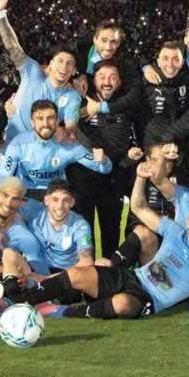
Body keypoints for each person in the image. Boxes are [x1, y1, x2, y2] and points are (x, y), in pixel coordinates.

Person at [0, 160, 189, 320]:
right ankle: (20, 302)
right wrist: (139, 178)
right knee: (76, 274)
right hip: (131, 276)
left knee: (123, 304)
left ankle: (62, 312)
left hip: (149, 298)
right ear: (188, 221)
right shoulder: (176, 231)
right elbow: (138, 207)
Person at [0, 180, 94, 315]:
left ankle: (9, 298)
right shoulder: (35, 210)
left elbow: (87, 262)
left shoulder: (80, 225)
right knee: (9, 254)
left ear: (72, 203)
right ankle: (22, 299)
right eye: (55, 200)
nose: (60, 206)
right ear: (46, 200)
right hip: (34, 270)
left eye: (66, 201)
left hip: (64, 276)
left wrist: (45, 279)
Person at [0, 0, 81, 141]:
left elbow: (71, 130)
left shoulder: (73, 97)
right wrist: (0, 14)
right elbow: (13, 46)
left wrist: (63, 133)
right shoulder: (33, 72)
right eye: (60, 61)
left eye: (69, 63)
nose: (64, 66)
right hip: (12, 146)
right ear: (50, 64)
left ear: (74, 70)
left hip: (43, 155)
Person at [71, 60, 138, 256]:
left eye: (112, 77)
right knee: (84, 232)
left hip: (113, 181)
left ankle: (109, 275)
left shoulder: (127, 107)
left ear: (119, 82)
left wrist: (130, 157)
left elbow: (136, 140)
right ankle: (83, 276)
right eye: (102, 77)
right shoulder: (80, 103)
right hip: (83, 181)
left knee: (112, 233)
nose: (107, 82)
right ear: (94, 80)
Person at [2, 100, 112, 200]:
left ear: (57, 121)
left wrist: (103, 160)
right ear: (32, 122)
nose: (45, 124)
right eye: (40, 119)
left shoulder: (69, 146)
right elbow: (4, 178)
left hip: (57, 193)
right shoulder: (18, 143)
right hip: (27, 193)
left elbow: (105, 169)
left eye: (50, 118)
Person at [138, 41, 189, 147]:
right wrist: (145, 66)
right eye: (165, 58)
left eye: (176, 59)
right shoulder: (146, 80)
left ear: (182, 62)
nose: (170, 64)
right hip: (153, 142)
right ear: (158, 61)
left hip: (180, 140)